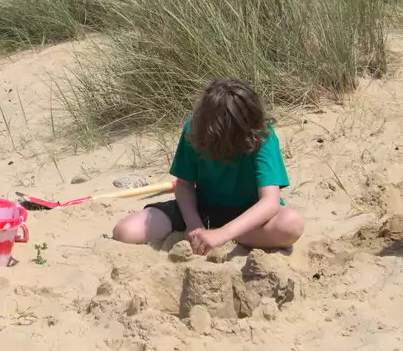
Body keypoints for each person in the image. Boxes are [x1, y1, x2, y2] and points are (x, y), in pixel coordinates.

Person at [112, 77, 304, 254]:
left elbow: (269, 202)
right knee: (125, 231)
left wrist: (223, 234)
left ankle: (225, 235)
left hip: (249, 215)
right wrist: (194, 225)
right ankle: (211, 234)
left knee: (291, 225)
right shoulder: (195, 129)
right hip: (202, 208)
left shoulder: (262, 135)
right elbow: (184, 185)